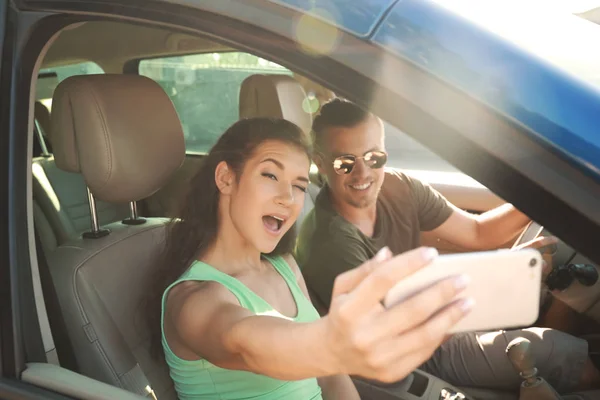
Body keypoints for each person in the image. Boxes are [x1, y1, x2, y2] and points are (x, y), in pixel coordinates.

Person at [144, 117, 473, 400]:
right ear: (226, 178)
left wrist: (331, 354)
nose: (288, 198)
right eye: (270, 176)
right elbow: (245, 341)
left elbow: (330, 376)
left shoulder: (284, 266)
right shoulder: (194, 300)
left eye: (299, 185)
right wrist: (331, 344)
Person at [295, 98, 600, 393]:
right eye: (344, 163)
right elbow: (391, 338)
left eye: (374, 158)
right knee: (564, 359)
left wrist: (545, 198)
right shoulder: (330, 242)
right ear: (320, 163)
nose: (363, 173)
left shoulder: (398, 187)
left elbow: (478, 232)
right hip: (414, 352)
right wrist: (499, 278)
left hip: (435, 322)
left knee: (560, 332)